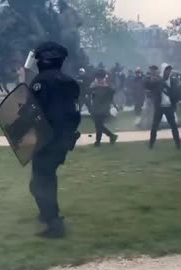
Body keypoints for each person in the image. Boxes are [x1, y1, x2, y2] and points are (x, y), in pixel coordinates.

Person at [29, 41, 81, 238]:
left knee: (41, 182)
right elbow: (74, 113)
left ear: (44, 60)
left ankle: (54, 223)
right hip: (63, 140)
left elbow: (34, 112)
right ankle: (47, 215)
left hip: (46, 140)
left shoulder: (40, 81)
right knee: (47, 178)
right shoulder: (70, 82)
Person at [146, 64, 181, 149]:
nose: (168, 72)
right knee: (154, 127)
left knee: (174, 127)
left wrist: (178, 100)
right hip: (159, 107)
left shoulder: (173, 81)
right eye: (166, 70)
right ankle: (151, 144)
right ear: (163, 70)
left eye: (169, 70)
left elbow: (177, 91)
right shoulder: (157, 80)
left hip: (169, 107)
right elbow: (148, 85)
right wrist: (151, 78)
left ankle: (178, 145)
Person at [89, 69, 118, 147]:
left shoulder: (107, 88)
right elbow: (90, 94)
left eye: (100, 77)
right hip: (96, 108)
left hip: (103, 109)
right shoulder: (94, 86)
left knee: (99, 125)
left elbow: (112, 95)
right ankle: (111, 136)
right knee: (98, 125)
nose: (98, 79)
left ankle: (98, 141)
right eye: (98, 77)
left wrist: (113, 106)